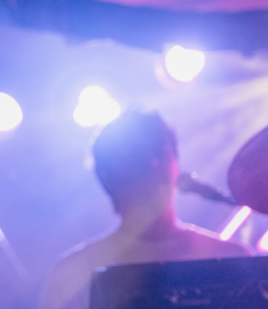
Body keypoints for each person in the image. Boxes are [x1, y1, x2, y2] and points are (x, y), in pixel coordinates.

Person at [39, 110, 254, 309]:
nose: (154, 163)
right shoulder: (73, 274)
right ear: (108, 176)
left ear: (175, 162)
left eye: (160, 149)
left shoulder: (235, 259)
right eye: (137, 154)